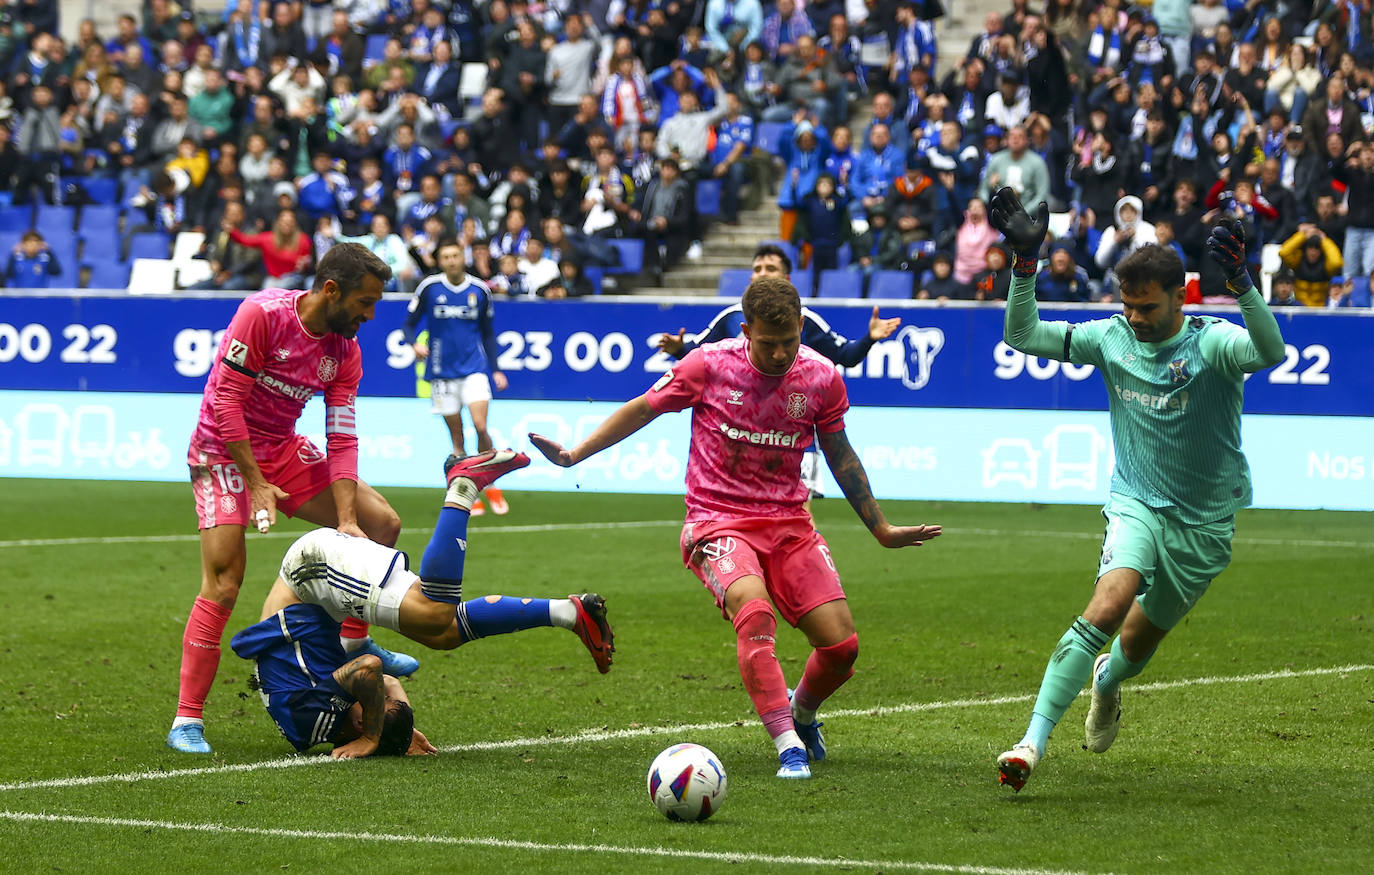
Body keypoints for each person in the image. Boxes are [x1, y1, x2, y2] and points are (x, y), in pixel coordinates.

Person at [530, 276, 941, 779]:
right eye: (767, 343)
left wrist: (881, 528)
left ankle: (802, 713)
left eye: (789, 341)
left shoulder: (821, 378)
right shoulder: (709, 365)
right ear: (746, 330)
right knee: (754, 610)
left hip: (791, 524)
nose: (779, 354)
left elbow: (840, 455)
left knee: (841, 649)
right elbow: (643, 409)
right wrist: (575, 454)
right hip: (717, 521)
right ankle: (787, 745)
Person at [987, 186, 1285, 792]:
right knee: (1107, 603)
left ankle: (1107, 682)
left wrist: (1244, 285)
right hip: (1135, 503)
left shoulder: (1212, 344)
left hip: (1203, 524)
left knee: (1136, 639)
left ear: (1180, 297)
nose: (1135, 318)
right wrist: (1025, 266)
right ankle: (1030, 744)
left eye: (1147, 308)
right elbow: (1023, 336)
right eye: (1128, 306)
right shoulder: (1112, 339)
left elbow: (1269, 351)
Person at [168, 243, 420, 756]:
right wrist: (256, 481)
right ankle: (186, 720)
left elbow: (342, 435)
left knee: (381, 525)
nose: (370, 315)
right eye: (365, 302)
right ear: (331, 290)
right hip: (221, 450)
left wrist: (348, 520)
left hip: (282, 449)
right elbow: (225, 401)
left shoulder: (345, 351)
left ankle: (353, 642)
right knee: (224, 581)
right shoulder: (261, 314)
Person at [231, 449, 614, 756]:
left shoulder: (311, 719)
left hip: (312, 575)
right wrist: (402, 726)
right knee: (442, 632)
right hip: (318, 594)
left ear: (362, 725)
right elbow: (387, 683)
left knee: (433, 611)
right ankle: (569, 612)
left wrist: (374, 737)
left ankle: (463, 487)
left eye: (375, 713)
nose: (381, 698)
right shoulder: (329, 720)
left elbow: (370, 669)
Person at [655, 243, 902, 497]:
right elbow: (699, 355)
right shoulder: (730, 317)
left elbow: (846, 356)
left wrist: (869, 338)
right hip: (739, 436)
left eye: (770, 268)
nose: (762, 273)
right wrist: (678, 349)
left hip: (792, 436)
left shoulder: (805, 321)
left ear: (786, 280)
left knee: (798, 510)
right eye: (758, 269)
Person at [401, 238, 510, 515]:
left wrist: (496, 368)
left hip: (474, 369)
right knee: (458, 439)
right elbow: (408, 325)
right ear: (440, 261)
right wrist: (414, 344)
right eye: (446, 256)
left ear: (464, 258)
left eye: (455, 255)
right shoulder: (430, 288)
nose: (451, 261)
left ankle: (491, 485)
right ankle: (467, 490)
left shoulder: (479, 290)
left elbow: (488, 332)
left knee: (480, 425)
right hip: (441, 372)